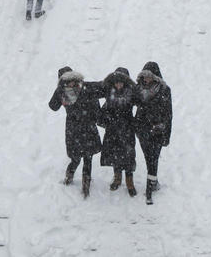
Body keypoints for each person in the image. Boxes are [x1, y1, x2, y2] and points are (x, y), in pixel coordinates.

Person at [49, 67, 104, 198]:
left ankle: (84, 181)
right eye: (67, 81)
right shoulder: (65, 92)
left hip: (83, 126)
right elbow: (53, 106)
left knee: (86, 157)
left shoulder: (82, 88)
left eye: (72, 80)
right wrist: (59, 91)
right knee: (78, 157)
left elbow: (100, 91)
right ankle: (73, 176)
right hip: (77, 127)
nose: (71, 83)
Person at [134, 62, 172, 205]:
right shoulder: (138, 88)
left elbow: (169, 114)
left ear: (156, 76)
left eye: (149, 76)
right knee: (148, 157)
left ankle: (150, 187)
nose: (146, 79)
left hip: (158, 129)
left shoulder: (164, 90)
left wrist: (167, 134)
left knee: (153, 158)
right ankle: (153, 183)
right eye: (144, 76)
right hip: (142, 129)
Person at [98, 67, 138, 197]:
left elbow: (143, 105)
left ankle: (129, 181)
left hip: (127, 129)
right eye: (116, 82)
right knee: (115, 154)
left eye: (121, 82)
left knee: (129, 155)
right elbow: (103, 113)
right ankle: (117, 178)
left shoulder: (132, 94)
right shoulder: (109, 94)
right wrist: (107, 120)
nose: (119, 84)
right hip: (113, 130)